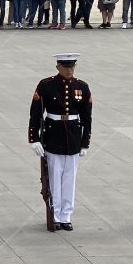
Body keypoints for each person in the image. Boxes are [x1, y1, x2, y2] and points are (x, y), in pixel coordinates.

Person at [28, 53, 92, 232]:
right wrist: (34, 138)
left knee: (69, 179)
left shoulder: (82, 86)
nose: (69, 70)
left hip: (73, 137)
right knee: (54, 178)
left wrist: (85, 142)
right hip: (53, 135)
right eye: (65, 67)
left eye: (72, 66)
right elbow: (36, 113)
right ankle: (55, 214)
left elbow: (87, 117)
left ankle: (66, 216)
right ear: (58, 67)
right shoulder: (46, 85)